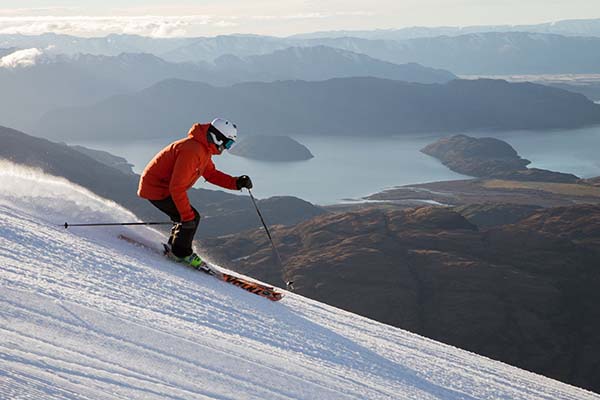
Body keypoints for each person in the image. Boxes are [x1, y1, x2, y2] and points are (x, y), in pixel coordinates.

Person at [137, 118, 253, 267]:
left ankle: (175, 248)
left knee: (185, 217)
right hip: (156, 189)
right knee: (190, 218)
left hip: (161, 187)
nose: (226, 148)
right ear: (218, 138)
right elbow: (176, 187)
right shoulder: (193, 151)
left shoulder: (203, 149)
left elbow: (211, 174)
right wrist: (186, 217)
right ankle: (180, 254)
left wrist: (236, 183)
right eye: (228, 143)